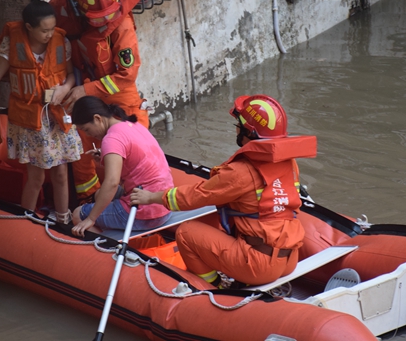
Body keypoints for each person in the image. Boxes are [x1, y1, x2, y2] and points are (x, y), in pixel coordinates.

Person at [130, 95, 316, 287]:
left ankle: (217, 287)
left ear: (249, 133)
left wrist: (151, 197)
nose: (236, 128)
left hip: (259, 264)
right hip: (289, 257)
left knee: (186, 233)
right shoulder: (289, 164)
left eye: (238, 124)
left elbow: (195, 196)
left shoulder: (241, 172)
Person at [0, 0, 83, 225]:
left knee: (61, 173)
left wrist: (65, 88)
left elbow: (70, 75)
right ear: (29, 27)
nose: (50, 34)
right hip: (29, 120)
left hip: (56, 116)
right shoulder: (12, 44)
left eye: (52, 28)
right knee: (36, 176)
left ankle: (63, 221)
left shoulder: (61, 41)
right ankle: (26, 222)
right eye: (44, 31)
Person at [49, 0, 147, 203]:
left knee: (135, 136)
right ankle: (88, 196)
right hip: (84, 84)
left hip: (116, 89)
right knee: (78, 136)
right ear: (79, 11)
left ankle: (137, 191)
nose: (105, 22)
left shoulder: (121, 27)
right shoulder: (69, 18)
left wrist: (86, 90)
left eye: (109, 16)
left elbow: (126, 76)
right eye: (98, 18)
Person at [70, 96, 172, 237]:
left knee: (78, 214)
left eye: (87, 129)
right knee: (100, 195)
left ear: (98, 119)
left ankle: (109, 248)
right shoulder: (132, 125)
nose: (89, 134)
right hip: (165, 203)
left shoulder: (111, 139)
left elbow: (112, 183)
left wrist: (90, 219)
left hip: (145, 213)